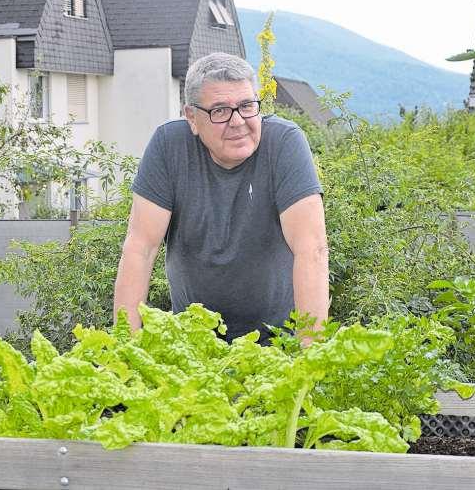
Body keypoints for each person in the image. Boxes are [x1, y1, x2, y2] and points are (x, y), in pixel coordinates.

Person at [113, 52, 329, 344]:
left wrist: (310, 353)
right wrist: (125, 347)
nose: (238, 121)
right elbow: (140, 248)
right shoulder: (169, 146)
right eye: (220, 111)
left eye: (247, 106)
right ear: (192, 118)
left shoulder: (284, 143)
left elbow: (311, 249)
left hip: (278, 341)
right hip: (193, 343)